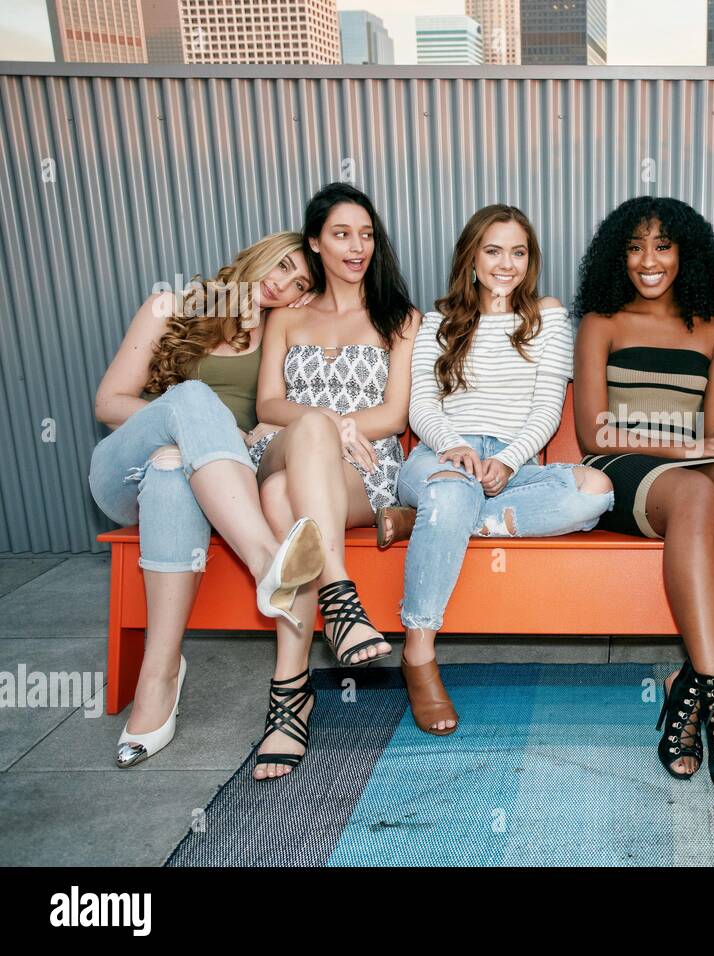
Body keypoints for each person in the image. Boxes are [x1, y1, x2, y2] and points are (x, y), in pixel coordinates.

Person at [90, 231, 326, 768]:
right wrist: (196, 421)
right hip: (126, 469)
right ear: (258, 252)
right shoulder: (170, 307)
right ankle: (268, 561)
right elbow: (109, 402)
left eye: (299, 282)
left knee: (175, 474)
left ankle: (160, 676)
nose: (284, 281)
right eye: (284, 264)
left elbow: (275, 416)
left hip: (204, 485)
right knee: (189, 404)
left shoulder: (280, 335)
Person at [380, 203, 613, 735]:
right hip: (440, 457)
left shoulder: (547, 316)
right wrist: (455, 447)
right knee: (449, 490)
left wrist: (508, 461)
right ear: (471, 257)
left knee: (594, 492)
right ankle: (418, 654)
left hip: (512, 463)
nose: (506, 264)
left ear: (530, 260)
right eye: (493, 250)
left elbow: (547, 407)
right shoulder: (436, 322)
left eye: (518, 252)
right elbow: (422, 406)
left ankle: (442, 521)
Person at [573, 196, 714, 806]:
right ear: (617, 256)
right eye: (634, 247)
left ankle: (693, 686)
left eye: (662, 246)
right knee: (694, 491)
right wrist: (680, 450)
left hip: (689, 467)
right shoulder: (602, 323)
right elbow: (593, 433)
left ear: (686, 254)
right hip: (619, 469)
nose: (648, 261)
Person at [248, 183, 420, 778]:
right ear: (316, 242)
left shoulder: (399, 318)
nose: (357, 247)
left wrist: (342, 430)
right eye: (342, 234)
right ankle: (340, 595)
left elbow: (395, 415)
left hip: (362, 469)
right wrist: (323, 424)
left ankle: (288, 695)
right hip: (284, 445)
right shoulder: (287, 318)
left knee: (277, 500)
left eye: (366, 234)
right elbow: (269, 404)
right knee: (296, 450)